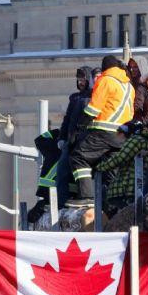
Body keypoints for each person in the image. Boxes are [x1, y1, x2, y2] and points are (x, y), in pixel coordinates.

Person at [69, 56, 134, 203]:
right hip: (122, 135)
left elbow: (93, 109)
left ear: (104, 68)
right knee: (110, 168)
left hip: (103, 131)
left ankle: (87, 197)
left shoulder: (105, 80)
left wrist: (81, 124)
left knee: (78, 157)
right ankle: (112, 204)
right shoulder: (128, 85)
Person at [55, 66, 94, 205]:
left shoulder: (94, 96)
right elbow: (67, 120)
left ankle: (84, 197)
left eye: (83, 79)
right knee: (63, 172)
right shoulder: (75, 98)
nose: (81, 82)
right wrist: (62, 138)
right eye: (79, 79)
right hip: (71, 141)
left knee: (82, 172)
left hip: (85, 140)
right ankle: (62, 202)